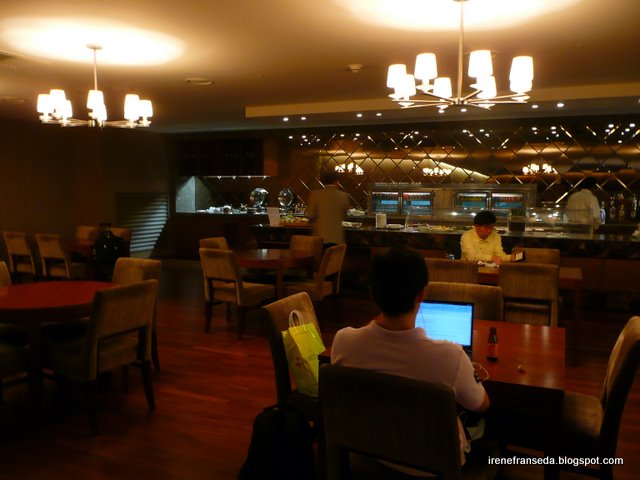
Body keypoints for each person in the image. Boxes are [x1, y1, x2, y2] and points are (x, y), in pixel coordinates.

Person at [331, 247, 489, 471]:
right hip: (434, 468)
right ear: (421, 294)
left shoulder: (343, 342)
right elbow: (480, 404)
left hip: (369, 457)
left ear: (372, 293)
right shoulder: (451, 356)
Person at [307, 171, 350, 245]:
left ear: (323, 182)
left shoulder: (315, 194)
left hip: (320, 236)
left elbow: (310, 215)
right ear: (336, 182)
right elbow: (345, 216)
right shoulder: (343, 195)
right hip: (337, 237)